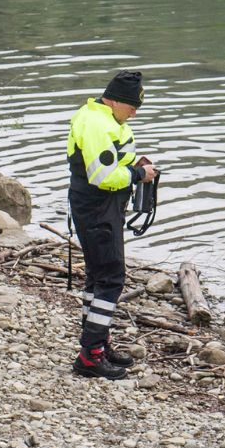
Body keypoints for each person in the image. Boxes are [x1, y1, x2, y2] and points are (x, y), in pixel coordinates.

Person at [66, 69, 157, 379]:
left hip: (98, 208)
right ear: (115, 101)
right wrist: (137, 175)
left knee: (97, 274)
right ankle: (90, 354)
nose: (134, 113)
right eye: (132, 106)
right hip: (97, 209)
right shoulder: (97, 124)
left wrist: (134, 164)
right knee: (112, 277)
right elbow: (102, 176)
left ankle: (96, 343)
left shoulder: (102, 117)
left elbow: (110, 161)